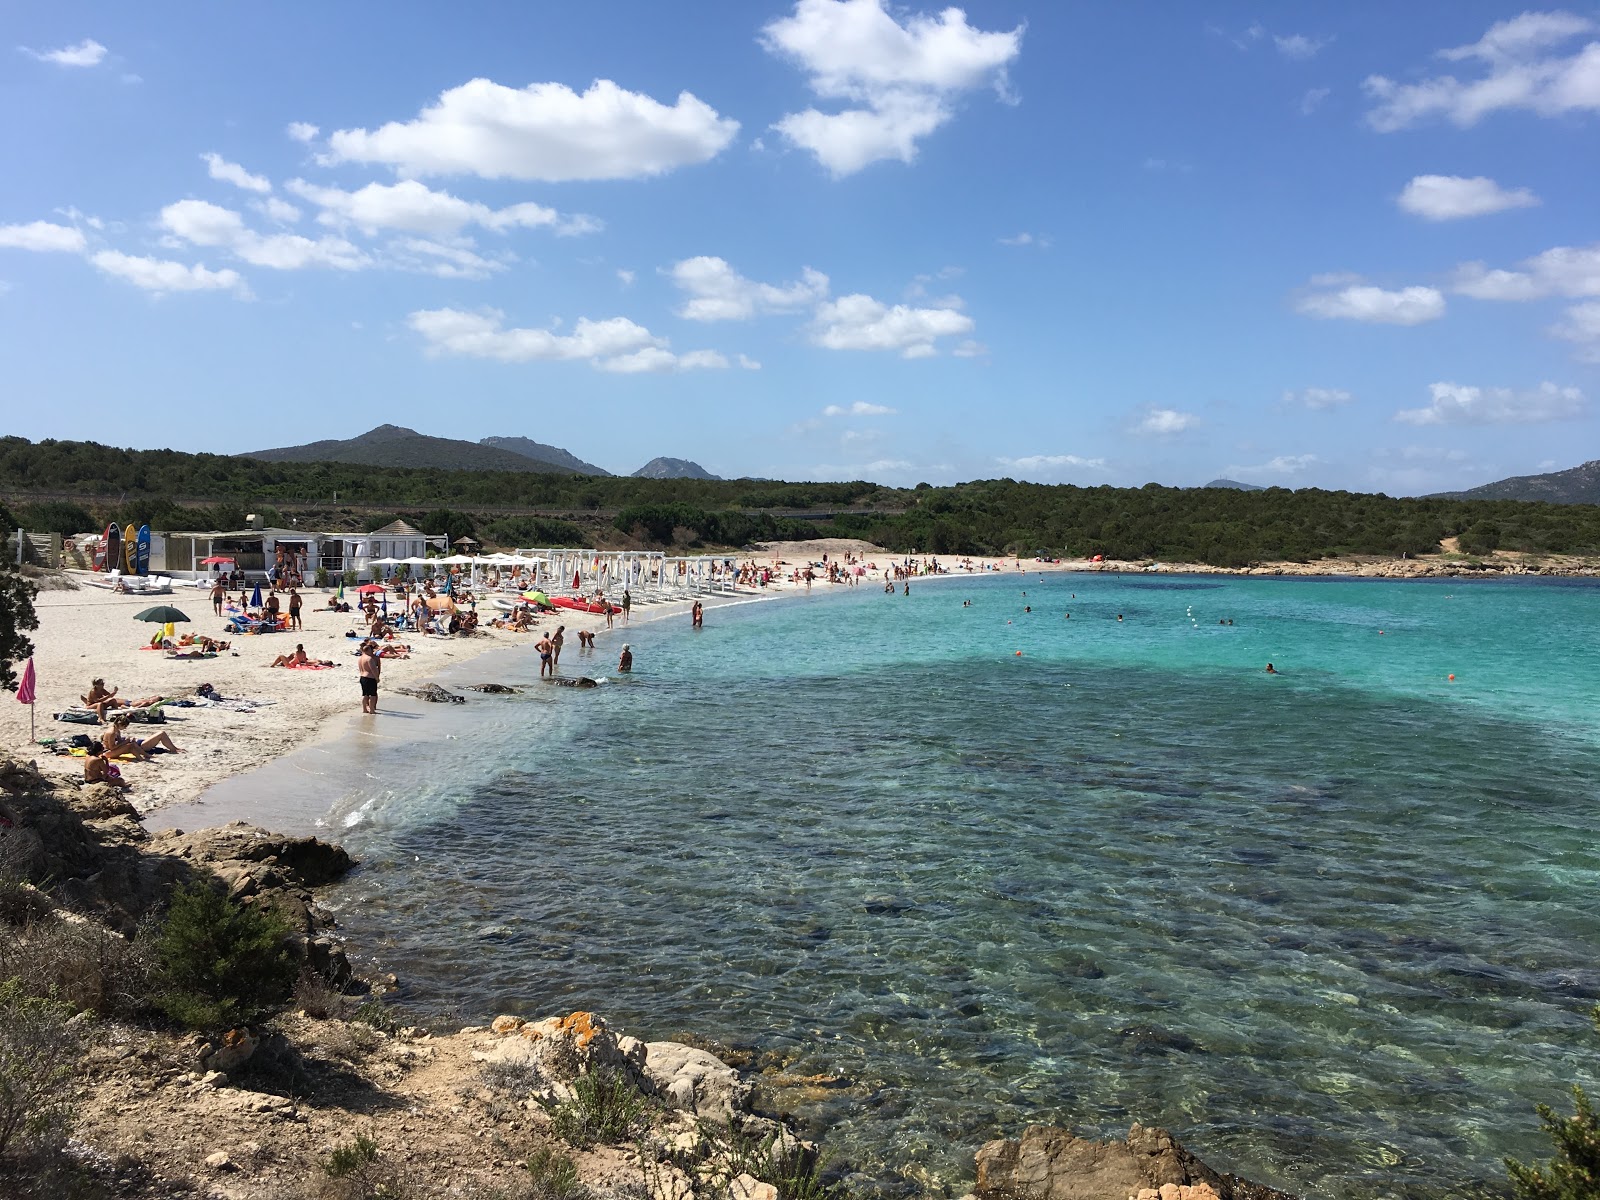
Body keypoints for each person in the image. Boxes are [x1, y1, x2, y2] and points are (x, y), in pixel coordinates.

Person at [103, 715, 182, 760]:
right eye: (125, 726)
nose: (125, 728)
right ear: (120, 724)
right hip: (108, 752)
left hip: (113, 750)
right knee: (131, 745)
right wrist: (126, 742)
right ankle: (145, 756)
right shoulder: (112, 732)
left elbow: (119, 742)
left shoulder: (116, 730)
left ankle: (144, 756)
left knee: (132, 744)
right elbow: (112, 748)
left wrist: (127, 741)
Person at [358, 640, 381, 713]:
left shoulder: (360, 658)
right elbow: (373, 669)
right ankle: (372, 710)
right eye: (371, 650)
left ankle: (364, 709)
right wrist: (377, 678)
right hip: (370, 678)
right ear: (368, 650)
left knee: (365, 695)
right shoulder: (369, 658)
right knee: (373, 695)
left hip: (362, 677)